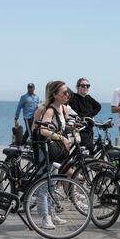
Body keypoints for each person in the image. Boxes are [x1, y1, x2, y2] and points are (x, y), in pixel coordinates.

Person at [37, 81, 71, 229]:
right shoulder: (50, 110)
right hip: (46, 149)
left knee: (53, 184)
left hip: (55, 151)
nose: (67, 94)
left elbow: (62, 126)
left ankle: (52, 214)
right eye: (64, 92)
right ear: (55, 95)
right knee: (44, 185)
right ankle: (45, 217)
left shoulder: (63, 109)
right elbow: (42, 130)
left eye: (67, 91)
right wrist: (60, 137)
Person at [69, 78, 102, 153]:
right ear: (77, 87)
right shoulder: (74, 98)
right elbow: (76, 112)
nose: (86, 87)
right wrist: (87, 117)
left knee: (90, 149)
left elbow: (98, 106)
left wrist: (91, 116)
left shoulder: (88, 98)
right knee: (87, 148)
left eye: (87, 86)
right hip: (81, 128)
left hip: (89, 127)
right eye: (83, 86)